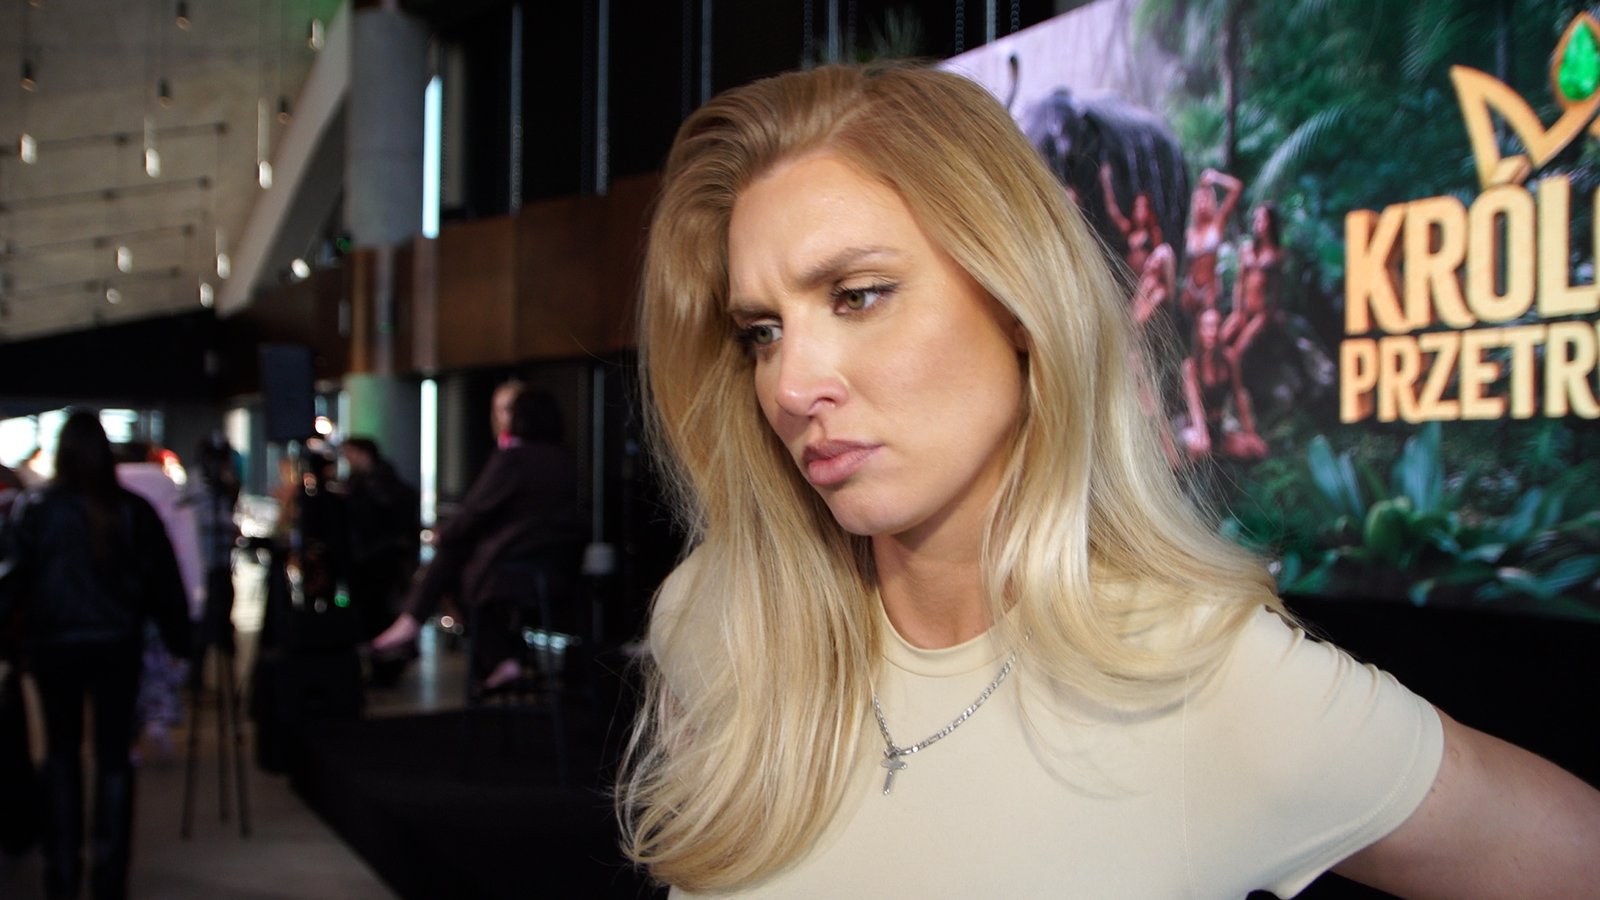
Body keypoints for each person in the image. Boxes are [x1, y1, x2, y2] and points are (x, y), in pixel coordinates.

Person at [616, 64, 1600, 896]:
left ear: (1016, 300)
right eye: (762, 332)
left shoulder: (1207, 681)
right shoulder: (718, 623)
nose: (792, 384)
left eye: (858, 295)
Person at [0, 412, 191, 900]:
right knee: (114, 758)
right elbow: (163, 581)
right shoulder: (131, 509)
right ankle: (109, 881)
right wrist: (181, 639)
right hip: (116, 646)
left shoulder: (36, 508)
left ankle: (61, 875)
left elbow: (11, 577)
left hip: (53, 647)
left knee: (60, 754)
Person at [371, 389, 583, 697]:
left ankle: (416, 620)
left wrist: (444, 533)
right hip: (551, 565)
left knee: (452, 555)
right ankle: (497, 654)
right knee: (456, 557)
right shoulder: (563, 460)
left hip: (510, 569)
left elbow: (476, 509)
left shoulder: (514, 457)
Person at [1181, 307, 1267, 463]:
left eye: (1216, 326)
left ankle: (1218, 453)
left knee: (1255, 449)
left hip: (1220, 425)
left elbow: (1239, 395)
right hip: (1194, 424)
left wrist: (1250, 432)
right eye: (1207, 327)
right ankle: (1187, 466)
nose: (1212, 332)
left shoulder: (1229, 358)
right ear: (1199, 331)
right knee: (1201, 447)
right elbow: (1194, 406)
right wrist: (1202, 434)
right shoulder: (1191, 367)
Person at [1223, 201, 1284, 363]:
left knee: (1237, 350)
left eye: (1261, 219)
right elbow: (1239, 283)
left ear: (1270, 222)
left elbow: (1276, 290)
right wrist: (1238, 310)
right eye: (1255, 219)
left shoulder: (1277, 254)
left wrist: (1271, 314)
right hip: (1243, 309)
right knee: (1220, 338)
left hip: (1262, 314)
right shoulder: (1247, 250)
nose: (1257, 223)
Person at [1180, 166, 1243, 317]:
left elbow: (1237, 188)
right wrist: (1186, 285)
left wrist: (1215, 177)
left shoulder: (1218, 222)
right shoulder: (1190, 232)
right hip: (1191, 287)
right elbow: (1188, 264)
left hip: (1209, 288)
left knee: (1208, 324)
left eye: (1206, 198)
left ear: (1212, 202)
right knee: (1187, 326)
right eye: (1199, 199)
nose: (1202, 203)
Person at [1098, 161, 1163, 276]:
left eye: (1143, 207)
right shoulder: (1127, 228)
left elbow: (1159, 258)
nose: (1139, 211)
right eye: (1136, 207)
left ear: (1149, 210)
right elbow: (1112, 210)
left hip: (1146, 279)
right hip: (1129, 278)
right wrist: (1106, 182)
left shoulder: (1154, 232)